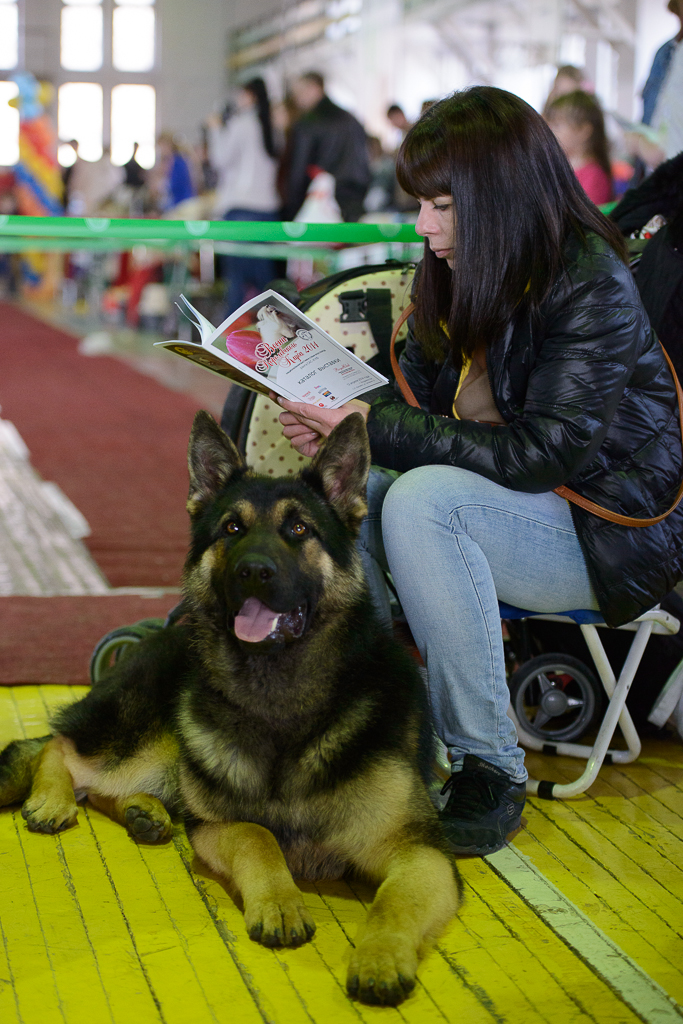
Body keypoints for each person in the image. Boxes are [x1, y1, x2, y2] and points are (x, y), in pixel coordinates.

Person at [273, 87, 683, 856]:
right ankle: (347, 731)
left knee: (427, 502)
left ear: (499, 196)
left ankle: (487, 763)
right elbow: (415, 406)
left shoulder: (588, 280)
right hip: (511, 512)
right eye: (419, 205)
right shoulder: (464, 269)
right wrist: (334, 424)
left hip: (609, 539)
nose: (422, 227)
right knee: (351, 488)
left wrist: (375, 425)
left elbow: (543, 454)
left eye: (441, 206)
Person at [207, 77, 279, 315]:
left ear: (251, 96)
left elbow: (220, 160)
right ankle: (273, 341)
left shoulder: (242, 124)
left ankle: (232, 341)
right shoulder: (273, 126)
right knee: (264, 280)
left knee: (236, 280)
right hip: (268, 208)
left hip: (241, 206)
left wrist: (216, 130)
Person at [281, 71, 370, 222]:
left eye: (299, 93)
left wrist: (291, 210)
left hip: (319, 201)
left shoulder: (308, 123)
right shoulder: (352, 120)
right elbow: (365, 162)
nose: (297, 100)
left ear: (315, 88)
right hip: (354, 200)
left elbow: (298, 171)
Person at [545, 90, 614, 204]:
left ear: (583, 131)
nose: (550, 131)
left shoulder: (593, 177)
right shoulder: (557, 165)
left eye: (557, 125)